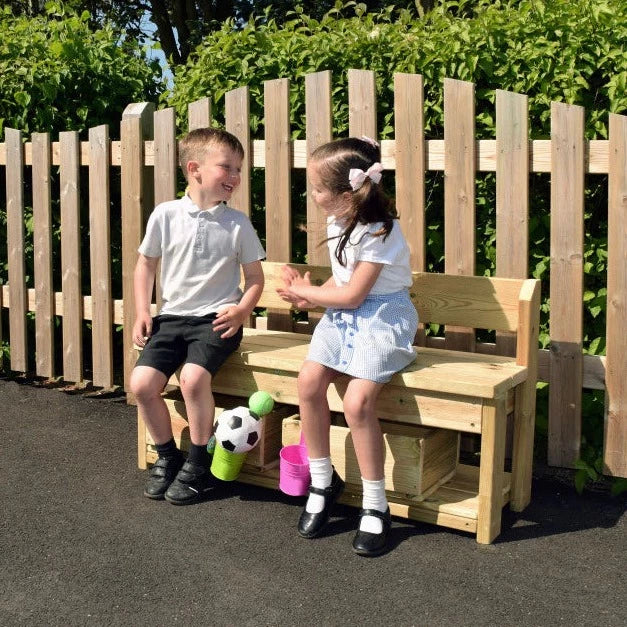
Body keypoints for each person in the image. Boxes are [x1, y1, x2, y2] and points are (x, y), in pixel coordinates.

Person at [277, 137, 418, 556]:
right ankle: (323, 480)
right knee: (308, 382)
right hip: (345, 316)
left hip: (382, 318)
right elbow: (340, 287)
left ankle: (376, 505)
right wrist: (308, 295)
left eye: (317, 188)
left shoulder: (380, 232)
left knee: (357, 402)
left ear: (345, 194)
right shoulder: (342, 221)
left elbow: (356, 296)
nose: (313, 196)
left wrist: (309, 292)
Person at [130, 127, 265, 505]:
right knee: (141, 384)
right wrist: (143, 309)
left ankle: (197, 463)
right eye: (228, 168)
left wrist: (241, 310)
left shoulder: (237, 224)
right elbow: (145, 267)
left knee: (191, 379)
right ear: (195, 169)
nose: (236, 177)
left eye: (239, 169)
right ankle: (168, 457)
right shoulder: (165, 215)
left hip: (217, 320)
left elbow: (255, 278)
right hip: (171, 319)